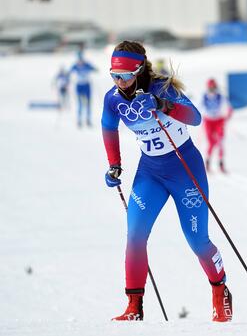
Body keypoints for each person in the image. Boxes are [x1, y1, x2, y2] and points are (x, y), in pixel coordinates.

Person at [101, 41, 232, 322]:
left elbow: (195, 117)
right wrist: (114, 165)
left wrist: (163, 105)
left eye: (125, 75)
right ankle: (134, 307)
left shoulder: (162, 88)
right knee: (135, 236)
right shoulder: (113, 99)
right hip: (150, 172)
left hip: (185, 167)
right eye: (114, 75)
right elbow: (108, 127)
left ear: (139, 70)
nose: (119, 82)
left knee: (197, 240)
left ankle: (220, 289)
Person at [201, 78, 233, 173]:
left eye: (214, 87)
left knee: (220, 142)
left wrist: (227, 116)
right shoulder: (204, 97)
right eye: (211, 88)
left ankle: (221, 163)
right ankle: (208, 162)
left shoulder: (220, 96)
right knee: (211, 143)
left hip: (219, 121)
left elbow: (229, 107)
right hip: (208, 121)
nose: (212, 90)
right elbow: (197, 107)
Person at [70, 50, 97, 127]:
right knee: (80, 103)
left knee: (88, 103)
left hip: (87, 86)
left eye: (81, 60)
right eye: (79, 60)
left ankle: (88, 120)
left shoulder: (87, 64)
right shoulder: (75, 65)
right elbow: (69, 72)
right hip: (79, 86)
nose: (80, 62)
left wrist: (94, 69)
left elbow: (94, 68)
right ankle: (79, 120)